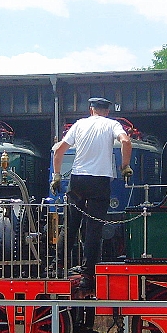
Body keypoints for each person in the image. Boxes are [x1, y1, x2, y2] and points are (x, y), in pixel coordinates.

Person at [51, 97, 133, 292]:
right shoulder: (113, 124)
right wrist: (125, 166)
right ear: (106, 111)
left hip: (78, 179)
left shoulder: (79, 125)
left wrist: (56, 176)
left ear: (91, 109)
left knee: (71, 224)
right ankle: (87, 276)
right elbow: (126, 141)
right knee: (94, 229)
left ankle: (57, 267)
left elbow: (58, 150)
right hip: (100, 180)